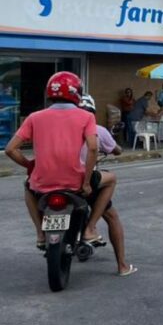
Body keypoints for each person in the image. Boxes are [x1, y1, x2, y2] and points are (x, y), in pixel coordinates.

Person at [3, 72, 115, 252]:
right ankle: (90, 229)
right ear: (76, 93)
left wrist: (29, 165)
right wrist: (86, 182)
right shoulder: (86, 117)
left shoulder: (34, 117)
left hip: (43, 182)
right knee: (111, 179)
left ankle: (40, 234)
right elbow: (93, 148)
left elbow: (10, 149)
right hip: (75, 182)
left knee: (27, 187)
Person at [79, 95, 137, 276]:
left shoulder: (60, 129)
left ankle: (43, 236)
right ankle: (122, 266)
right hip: (83, 180)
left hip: (56, 179)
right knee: (112, 216)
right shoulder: (97, 130)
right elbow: (118, 151)